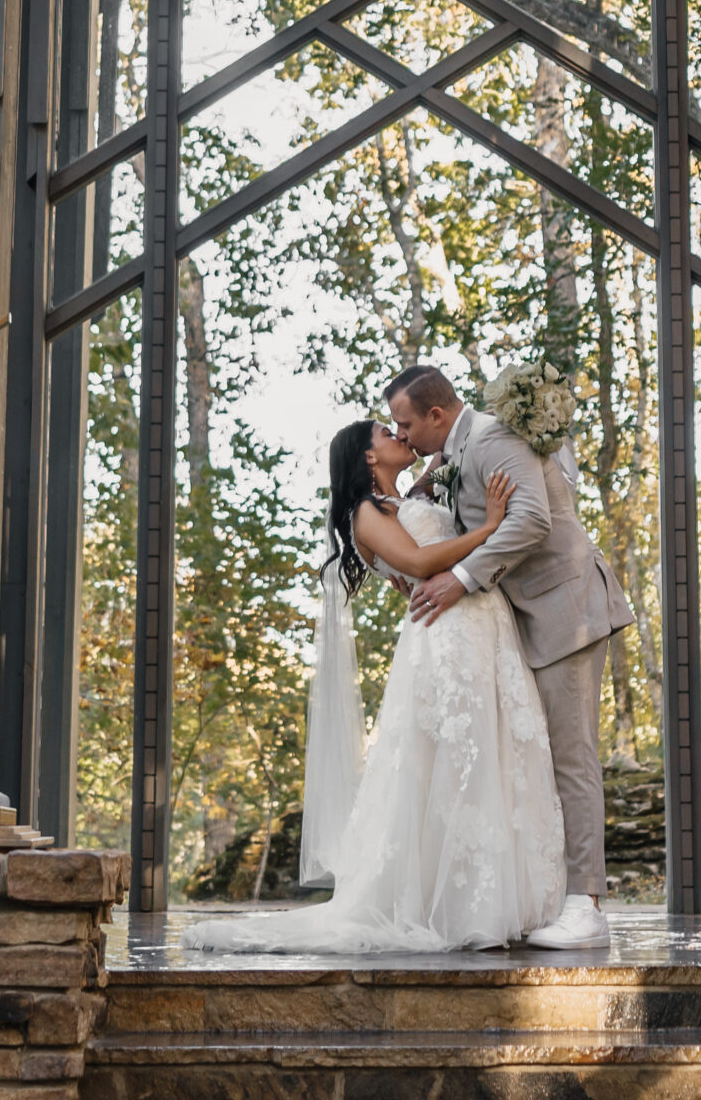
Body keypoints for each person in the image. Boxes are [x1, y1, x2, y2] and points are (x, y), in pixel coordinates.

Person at [182, 418, 565, 954]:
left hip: (484, 629)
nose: (399, 436)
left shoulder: (408, 495)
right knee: (458, 760)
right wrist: (492, 526)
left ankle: (503, 900)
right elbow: (421, 561)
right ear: (367, 456)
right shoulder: (367, 514)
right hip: (443, 638)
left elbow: (452, 441)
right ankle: (458, 906)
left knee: (499, 755)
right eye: (388, 432)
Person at [387, 363, 632, 950]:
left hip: (565, 612)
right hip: (531, 620)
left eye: (405, 425)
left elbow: (531, 519)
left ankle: (587, 905)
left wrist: (461, 580)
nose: (401, 438)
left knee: (572, 757)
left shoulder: (493, 438)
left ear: (437, 415)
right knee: (540, 758)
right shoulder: (458, 449)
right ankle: (554, 895)